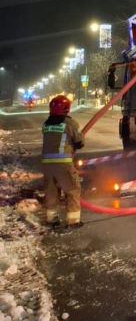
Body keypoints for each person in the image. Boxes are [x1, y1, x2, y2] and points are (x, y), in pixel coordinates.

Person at [41, 95, 85, 229]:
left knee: (51, 191)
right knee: (72, 189)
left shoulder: (46, 124)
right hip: (62, 163)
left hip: (46, 164)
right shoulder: (70, 123)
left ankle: (51, 219)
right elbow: (80, 142)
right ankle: (73, 221)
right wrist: (75, 144)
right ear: (66, 109)